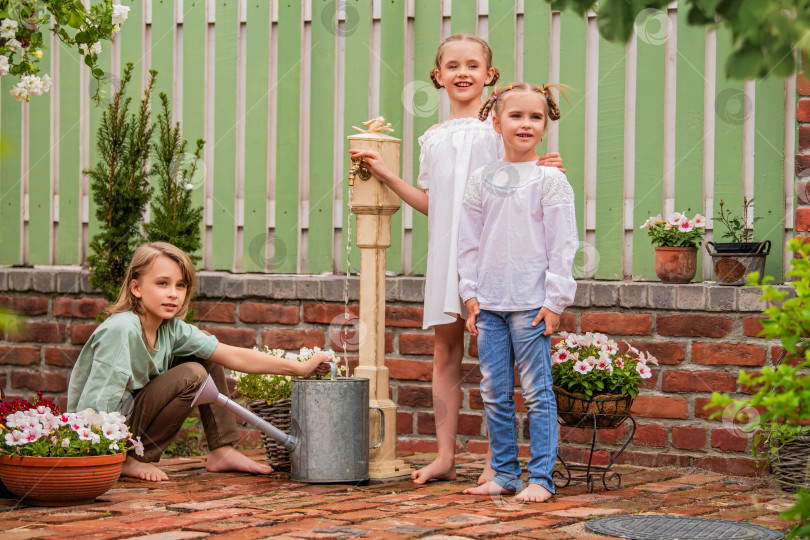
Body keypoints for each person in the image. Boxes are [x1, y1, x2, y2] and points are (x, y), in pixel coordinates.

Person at [350, 34, 565, 485]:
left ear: (490, 76)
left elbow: (525, 171)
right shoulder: (432, 137)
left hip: (497, 259)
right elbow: (433, 202)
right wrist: (387, 173)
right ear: (438, 76)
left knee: (498, 361)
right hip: (450, 253)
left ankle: (496, 461)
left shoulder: (502, 125)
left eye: (472, 65)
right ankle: (444, 455)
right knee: (445, 350)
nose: (462, 73)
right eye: (452, 65)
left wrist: (546, 168)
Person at [67, 242, 329, 482]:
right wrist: (98, 456)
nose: (173, 294)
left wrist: (298, 368)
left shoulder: (170, 329)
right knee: (192, 373)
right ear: (136, 288)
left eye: (180, 285)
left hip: (129, 424)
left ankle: (222, 450)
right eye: (162, 284)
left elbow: (232, 355)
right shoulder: (122, 330)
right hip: (105, 433)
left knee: (203, 349)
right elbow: (97, 401)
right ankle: (131, 460)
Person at [458, 82, 578, 502]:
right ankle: (505, 472)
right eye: (516, 115)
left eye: (535, 117)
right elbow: (469, 240)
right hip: (489, 303)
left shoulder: (550, 180)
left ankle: (542, 477)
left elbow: (563, 245)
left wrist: (555, 300)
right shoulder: (480, 179)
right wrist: (469, 292)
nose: (525, 123)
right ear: (496, 121)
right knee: (494, 391)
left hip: (531, 306)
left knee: (537, 392)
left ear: (545, 126)